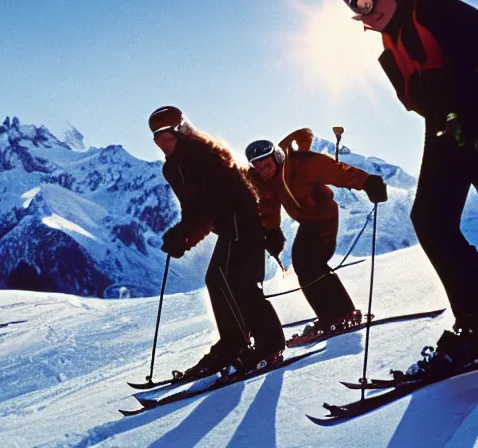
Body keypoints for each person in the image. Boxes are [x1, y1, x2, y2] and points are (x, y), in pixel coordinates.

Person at [339, 0, 478, 376]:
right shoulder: (389, 49)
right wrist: (448, 113)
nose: (364, 13)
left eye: (365, 0)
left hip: (470, 119)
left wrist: (463, 110)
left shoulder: (436, 11)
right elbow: (416, 101)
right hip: (448, 129)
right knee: (431, 219)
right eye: (355, 9)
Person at [149, 105, 286, 377]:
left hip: (242, 222)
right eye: (158, 140)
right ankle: (236, 343)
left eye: (168, 138)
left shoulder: (201, 157)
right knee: (222, 279)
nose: (163, 146)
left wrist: (183, 234)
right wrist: (184, 237)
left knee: (230, 279)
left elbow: (209, 205)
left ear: (182, 133)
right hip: (231, 225)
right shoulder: (175, 166)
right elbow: (194, 210)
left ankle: (255, 344)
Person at [245, 128, 388, 343]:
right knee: (309, 264)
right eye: (259, 167)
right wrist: (272, 231)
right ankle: (343, 313)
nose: (264, 171)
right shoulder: (265, 180)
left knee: (308, 263)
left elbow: (336, 170)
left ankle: (333, 317)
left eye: (267, 165)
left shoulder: (300, 163)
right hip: (307, 221)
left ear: (275, 157)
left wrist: (367, 182)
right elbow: (269, 205)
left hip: (324, 217)